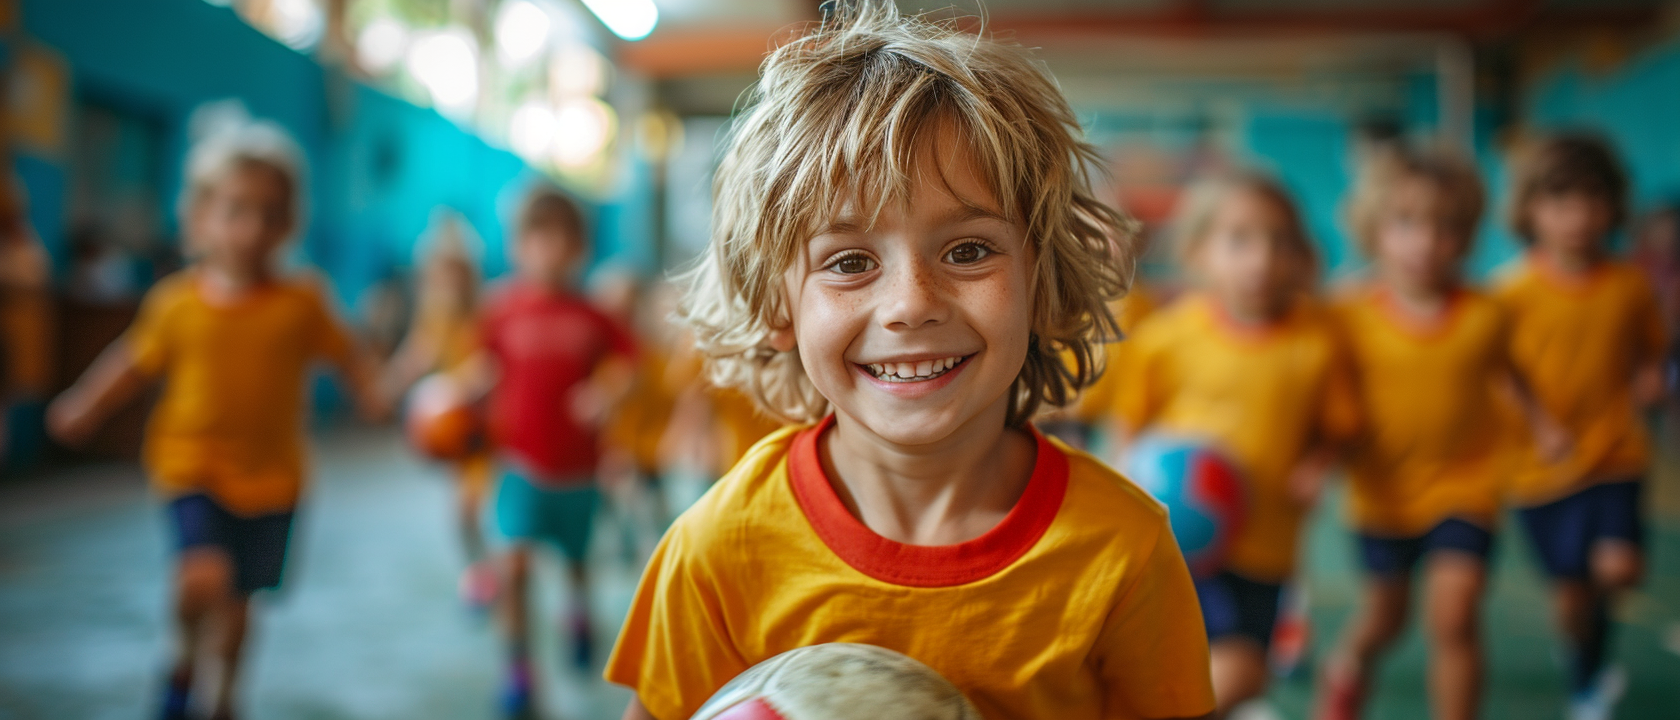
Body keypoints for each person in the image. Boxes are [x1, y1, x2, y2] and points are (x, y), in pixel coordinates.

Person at [605, 4, 1216, 719]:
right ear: (779, 308)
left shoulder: (1124, 550)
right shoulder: (718, 548)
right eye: (850, 262)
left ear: (1042, 285)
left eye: (967, 250)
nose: (910, 304)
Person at [45, 119, 384, 720]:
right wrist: (85, 403)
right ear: (201, 215)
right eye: (236, 210)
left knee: (238, 609)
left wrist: (371, 392)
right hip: (190, 464)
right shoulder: (175, 303)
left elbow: (348, 353)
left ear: (291, 222)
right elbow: (131, 362)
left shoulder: (302, 301)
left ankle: (225, 695)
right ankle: (180, 654)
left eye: (271, 213)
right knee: (200, 577)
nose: (253, 229)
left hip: (273, 478)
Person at [1112, 171, 1361, 718]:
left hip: (1268, 545)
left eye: (1279, 240)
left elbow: (1339, 428)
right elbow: (1131, 427)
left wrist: (1318, 466)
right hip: (1184, 546)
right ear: (1199, 251)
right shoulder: (1168, 337)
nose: (1262, 258)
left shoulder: (1317, 339)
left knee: (1243, 674)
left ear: (1299, 254)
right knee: (1234, 668)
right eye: (1240, 239)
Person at [1314, 145, 1547, 720]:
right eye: (1406, 223)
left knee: (1456, 613)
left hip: (1465, 486)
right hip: (1381, 496)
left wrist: (1544, 425)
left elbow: (1511, 373)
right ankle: (1349, 661)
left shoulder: (1485, 314)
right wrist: (1316, 455)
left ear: (1467, 236)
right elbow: (1320, 392)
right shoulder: (1347, 314)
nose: (1425, 243)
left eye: (1445, 227)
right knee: (1386, 617)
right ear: (1374, 230)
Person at [1493, 133, 1668, 720]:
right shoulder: (1511, 291)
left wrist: (1649, 377)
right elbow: (1498, 372)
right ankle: (1584, 667)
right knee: (1570, 592)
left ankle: (1591, 662)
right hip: (1542, 469)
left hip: (1618, 453)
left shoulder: (1628, 285)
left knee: (1618, 568)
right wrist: (1539, 424)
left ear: (1613, 208)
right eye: (1560, 201)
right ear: (1530, 210)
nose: (1577, 217)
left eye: (1592, 201)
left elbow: (1651, 348)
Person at [469, 185, 636, 719]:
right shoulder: (499, 310)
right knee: (513, 566)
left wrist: (606, 394)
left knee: (575, 561)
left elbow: (631, 365)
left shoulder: (593, 315)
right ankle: (518, 669)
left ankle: (579, 612)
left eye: (562, 236)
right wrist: (453, 397)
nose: (549, 248)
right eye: (537, 235)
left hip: (579, 472)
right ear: (518, 245)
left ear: (580, 246)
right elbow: (482, 370)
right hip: (519, 467)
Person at [382, 210, 496, 608]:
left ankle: (493, 571)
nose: (448, 281)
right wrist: (391, 382)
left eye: (456, 272)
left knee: (475, 509)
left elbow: (491, 363)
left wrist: (462, 383)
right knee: (463, 515)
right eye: (440, 273)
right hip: (460, 432)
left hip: (489, 428)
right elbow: (419, 353)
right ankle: (480, 571)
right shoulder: (433, 315)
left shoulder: (487, 314)